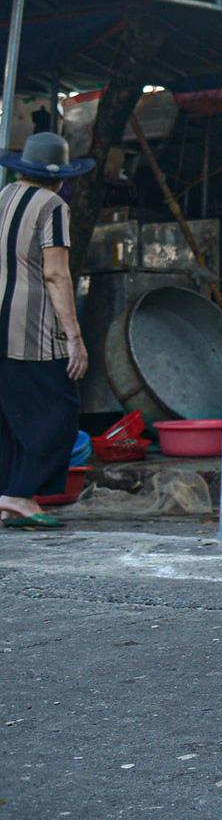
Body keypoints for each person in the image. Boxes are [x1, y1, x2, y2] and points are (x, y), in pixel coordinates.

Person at [0, 133, 93, 530]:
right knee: (59, 410)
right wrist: (74, 336)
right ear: (59, 178)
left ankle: (12, 497)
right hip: (31, 327)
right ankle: (18, 495)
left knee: (9, 414)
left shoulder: (2, 196)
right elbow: (55, 273)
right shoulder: (53, 205)